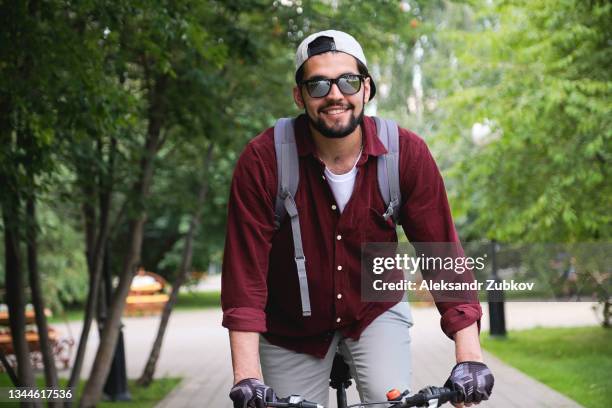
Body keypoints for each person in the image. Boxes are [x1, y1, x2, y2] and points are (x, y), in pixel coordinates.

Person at [222, 30, 494, 408]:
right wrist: (246, 377)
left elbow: (442, 255)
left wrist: (469, 358)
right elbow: (244, 274)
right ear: (299, 95)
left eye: (348, 81)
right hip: (291, 328)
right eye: (317, 84)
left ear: (366, 88)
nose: (335, 94)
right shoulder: (263, 160)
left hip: (374, 312)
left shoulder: (406, 154)